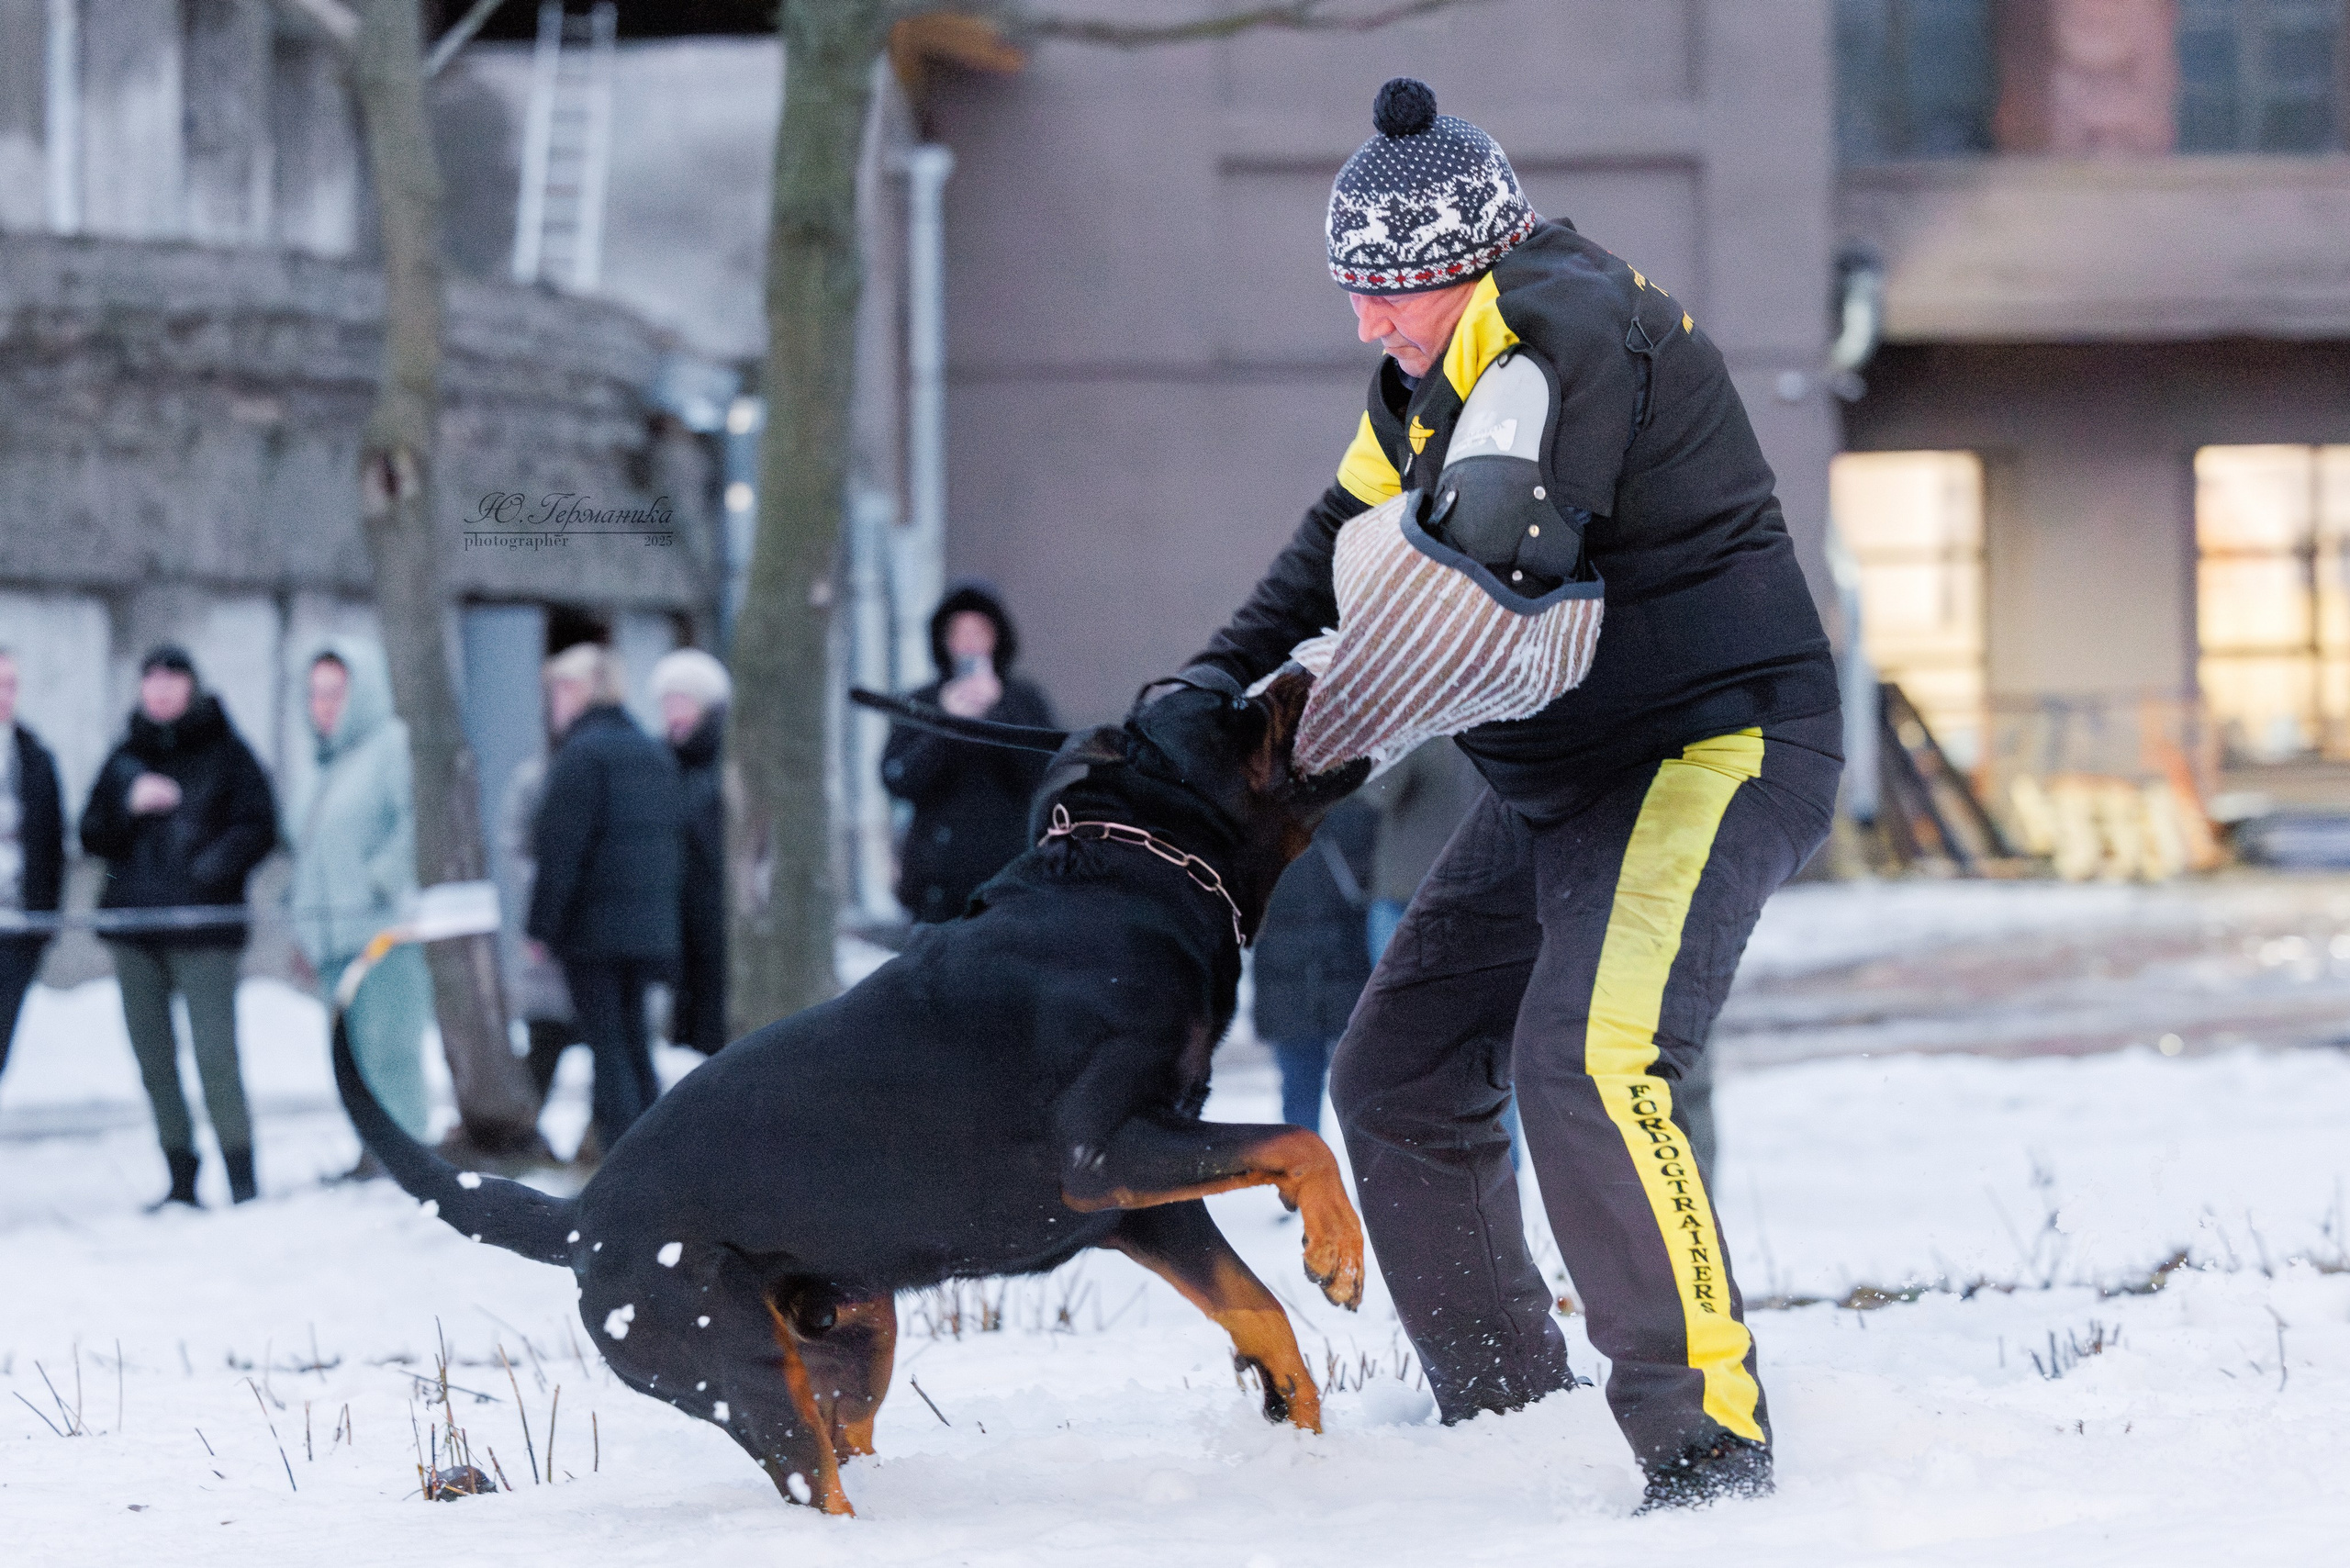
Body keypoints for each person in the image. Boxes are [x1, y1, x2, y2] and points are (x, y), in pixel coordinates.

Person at [1178, 81, 1840, 1508]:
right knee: (1397, 1071)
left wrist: (1331, 729)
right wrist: (1205, 688)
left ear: (1470, 261)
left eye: (1391, 293)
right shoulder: (1428, 380)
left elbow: (1507, 551)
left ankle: (1707, 1442)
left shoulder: (1572, 325)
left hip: (1714, 749)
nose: (1368, 324)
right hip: (1560, 782)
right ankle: (1508, 1413)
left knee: (1592, 1055)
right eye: (1352, 293)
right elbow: (1332, 543)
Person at [80, 645, 279, 1207]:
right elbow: (91, 833)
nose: (162, 690)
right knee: (153, 1060)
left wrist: (209, 870)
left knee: (216, 1057)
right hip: (136, 932)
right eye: (153, 680)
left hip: (204, 932)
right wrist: (128, 804)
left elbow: (261, 826)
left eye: (173, 679)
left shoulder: (226, 749)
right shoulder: (124, 756)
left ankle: (242, 1181)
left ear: (191, 685)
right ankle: (181, 1177)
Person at [525, 643, 681, 1156]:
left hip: (594, 931)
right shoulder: (652, 751)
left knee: (609, 1047)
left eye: (562, 689)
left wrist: (540, 927)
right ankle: (659, 1148)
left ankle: (624, 1157)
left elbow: (560, 851)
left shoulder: (580, 755)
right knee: (636, 1043)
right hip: (647, 928)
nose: (555, 703)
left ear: (585, 690)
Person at [286, 639, 432, 1164]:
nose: (324, 705)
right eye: (315, 694)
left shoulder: (390, 746)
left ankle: (412, 1156)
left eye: (336, 693)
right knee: (352, 1055)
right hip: (330, 937)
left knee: (390, 1047)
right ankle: (373, 1153)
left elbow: (415, 824)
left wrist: (378, 881)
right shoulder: (320, 767)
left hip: (381, 932)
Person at [880, 582, 1058, 924]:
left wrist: (996, 714)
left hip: (1008, 889)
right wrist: (947, 726)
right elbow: (899, 779)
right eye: (960, 633)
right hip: (935, 893)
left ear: (997, 638)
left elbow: (1040, 772)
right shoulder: (921, 703)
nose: (970, 644)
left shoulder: (1024, 701)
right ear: (944, 640)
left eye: (979, 631)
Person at [1250, 797, 1376, 1136]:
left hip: (1310, 967)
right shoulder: (1355, 810)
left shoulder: (1263, 818)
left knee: (1306, 1090)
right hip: (1326, 965)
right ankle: (1333, 1179)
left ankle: (1306, 1179)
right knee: (1354, 1091)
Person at [650, 647, 731, 1054]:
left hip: (717, 907)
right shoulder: (662, 761)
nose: (672, 713)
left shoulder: (727, 757)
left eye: (681, 701)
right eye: (666, 702)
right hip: (681, 907)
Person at [0, 647, 66, 1083]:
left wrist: (45, 921)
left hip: (16, 928)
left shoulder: (35, 758)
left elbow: (52, 844)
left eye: (9, 684)